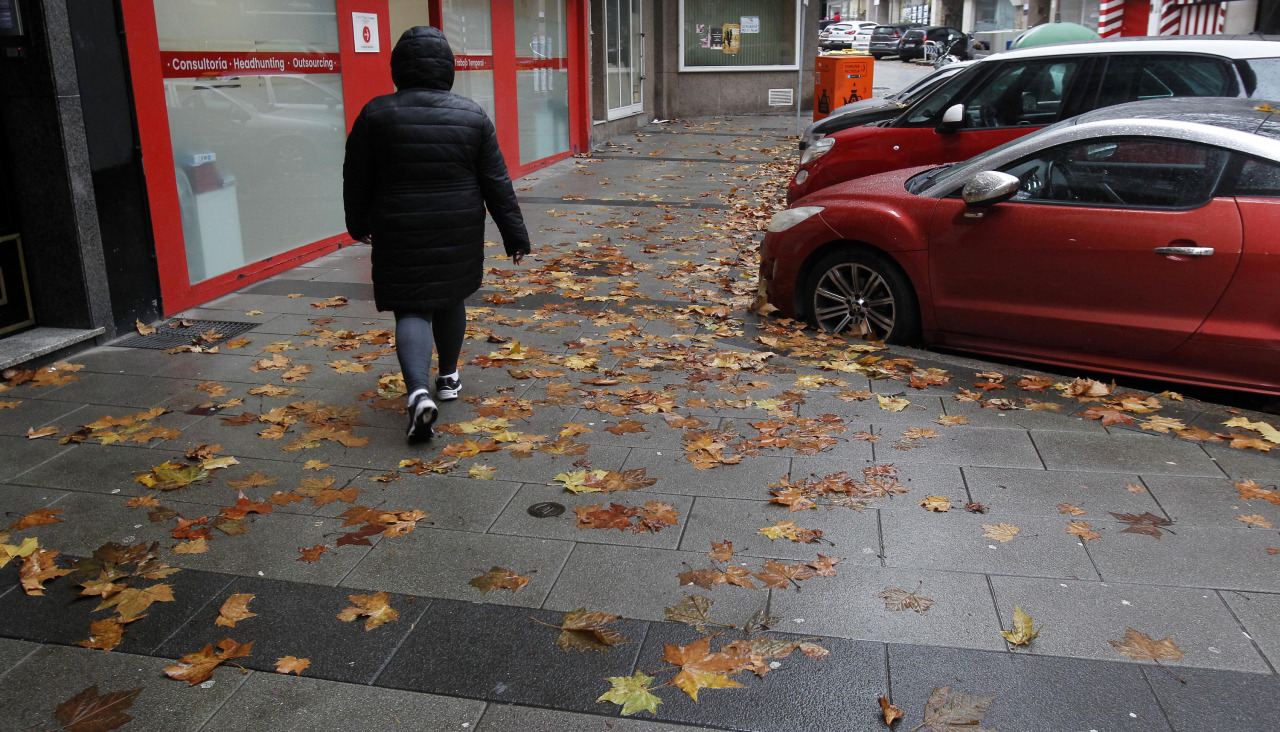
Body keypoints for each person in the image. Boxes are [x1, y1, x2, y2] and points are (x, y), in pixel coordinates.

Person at [343, 26, 531, 443]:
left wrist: (357, 223)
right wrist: (514, 235)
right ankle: (447, 378)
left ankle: (417, 393)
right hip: (457, 224)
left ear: (398, 68)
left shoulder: (375, 113)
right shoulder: (471, 115)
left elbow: (355, 177)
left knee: (412, 307)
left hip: (398, 223)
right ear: (447, 68)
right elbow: (496, 181)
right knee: (449, 296)